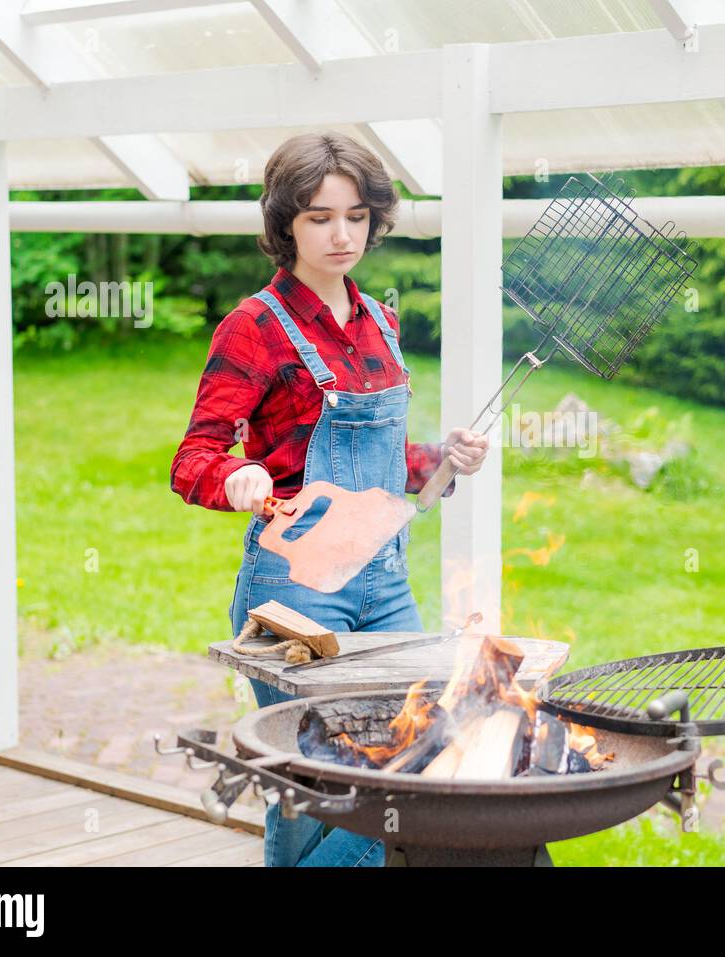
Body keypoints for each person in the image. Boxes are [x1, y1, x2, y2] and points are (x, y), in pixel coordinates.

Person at [169, 131, 489, 867]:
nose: (342, 234)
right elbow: (193, 460)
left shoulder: (379, 318)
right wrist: (236, 478)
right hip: (296, 599)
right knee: (345, 778)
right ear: (286, 226)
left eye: (356, 215)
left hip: (386, 585)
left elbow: (384, 466)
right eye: (319, 217)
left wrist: (444, 458)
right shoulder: (252, 327)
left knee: (367, 763)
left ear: (376, 217)